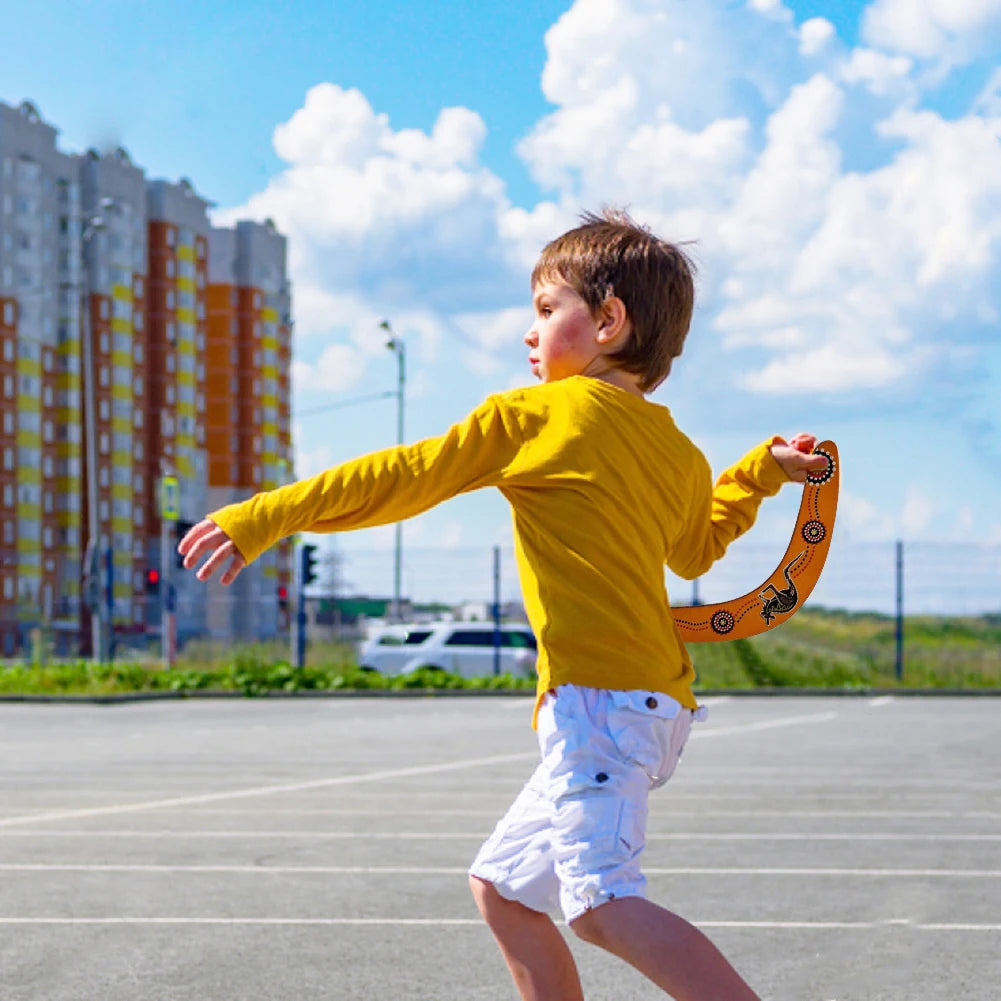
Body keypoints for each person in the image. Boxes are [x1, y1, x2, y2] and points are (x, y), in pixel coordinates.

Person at [179, 209, 828, 1001]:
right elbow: (697, 549)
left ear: (608, 322)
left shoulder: (534, 418)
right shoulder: (681, 454)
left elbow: (403, 474)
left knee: (599, 904)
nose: (531, 330)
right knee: (504, 888)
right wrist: (759, 471)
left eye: (549, 310)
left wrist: (265, 513)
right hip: (653, 706)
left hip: (599, 702)